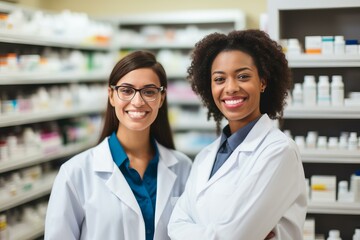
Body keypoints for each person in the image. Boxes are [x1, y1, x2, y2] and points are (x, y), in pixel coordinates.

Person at [168, 29, 307, 239]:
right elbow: (175, 224)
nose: (231, 88)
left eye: (242, 76)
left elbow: (234, 237)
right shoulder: (205, 157)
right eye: (219, 79)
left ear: (262, 81)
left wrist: (198, 230)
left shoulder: (279, 152)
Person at [44, 50, 192, 240]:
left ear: (161, 98)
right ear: (111, 96)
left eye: (149, 91)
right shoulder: (75, 172)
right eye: (126, 90)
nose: (137, 102)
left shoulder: (183, 167)